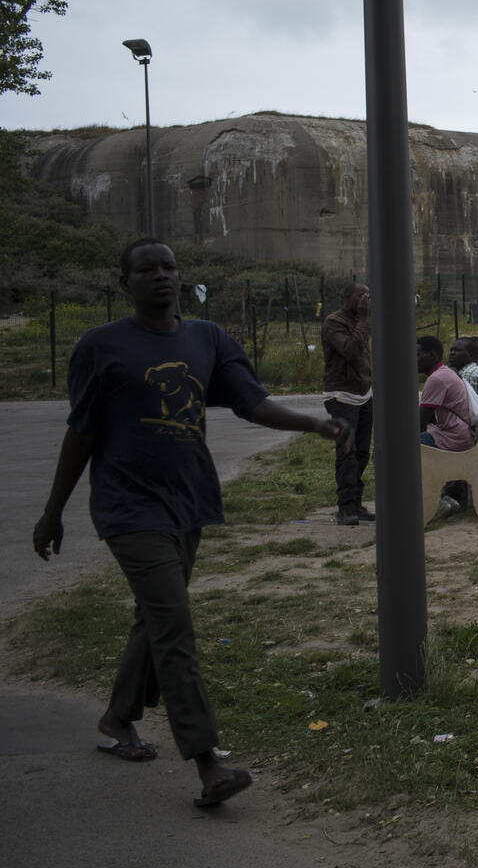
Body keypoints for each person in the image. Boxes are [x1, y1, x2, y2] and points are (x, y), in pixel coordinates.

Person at [32, 239, 349, 809]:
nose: (161, 276)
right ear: (125, 283)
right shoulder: (100, 345)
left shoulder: (207, 339)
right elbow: (81, 431)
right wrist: (53, 511)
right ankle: (208, 764)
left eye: (169, 267)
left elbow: (252, 402)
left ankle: (118, 717)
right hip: (128, 507)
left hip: (188, 500)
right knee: (173, 624)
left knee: (155, 616)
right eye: (146, 269)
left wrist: (313, 424)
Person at [321, 281, 374, 526]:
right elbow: (351, 351)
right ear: (347, 297)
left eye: (368, 296)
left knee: (362, 452)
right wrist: (363, 320)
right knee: (347, 452)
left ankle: (356, 503)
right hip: (341, 395)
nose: (365, 301)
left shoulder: (361, 321)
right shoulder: (334, 322)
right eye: (360, 296)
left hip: (363, 392)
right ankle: (345, 507)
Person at [419, 335, 475, 520]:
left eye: (417, 355)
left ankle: (435, 502)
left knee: (402, 450)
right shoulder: (445, 373)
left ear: (432, 355)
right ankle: (442, 499)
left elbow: (420, 423)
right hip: (457, 434)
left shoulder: (437, 379)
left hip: (452, 438)